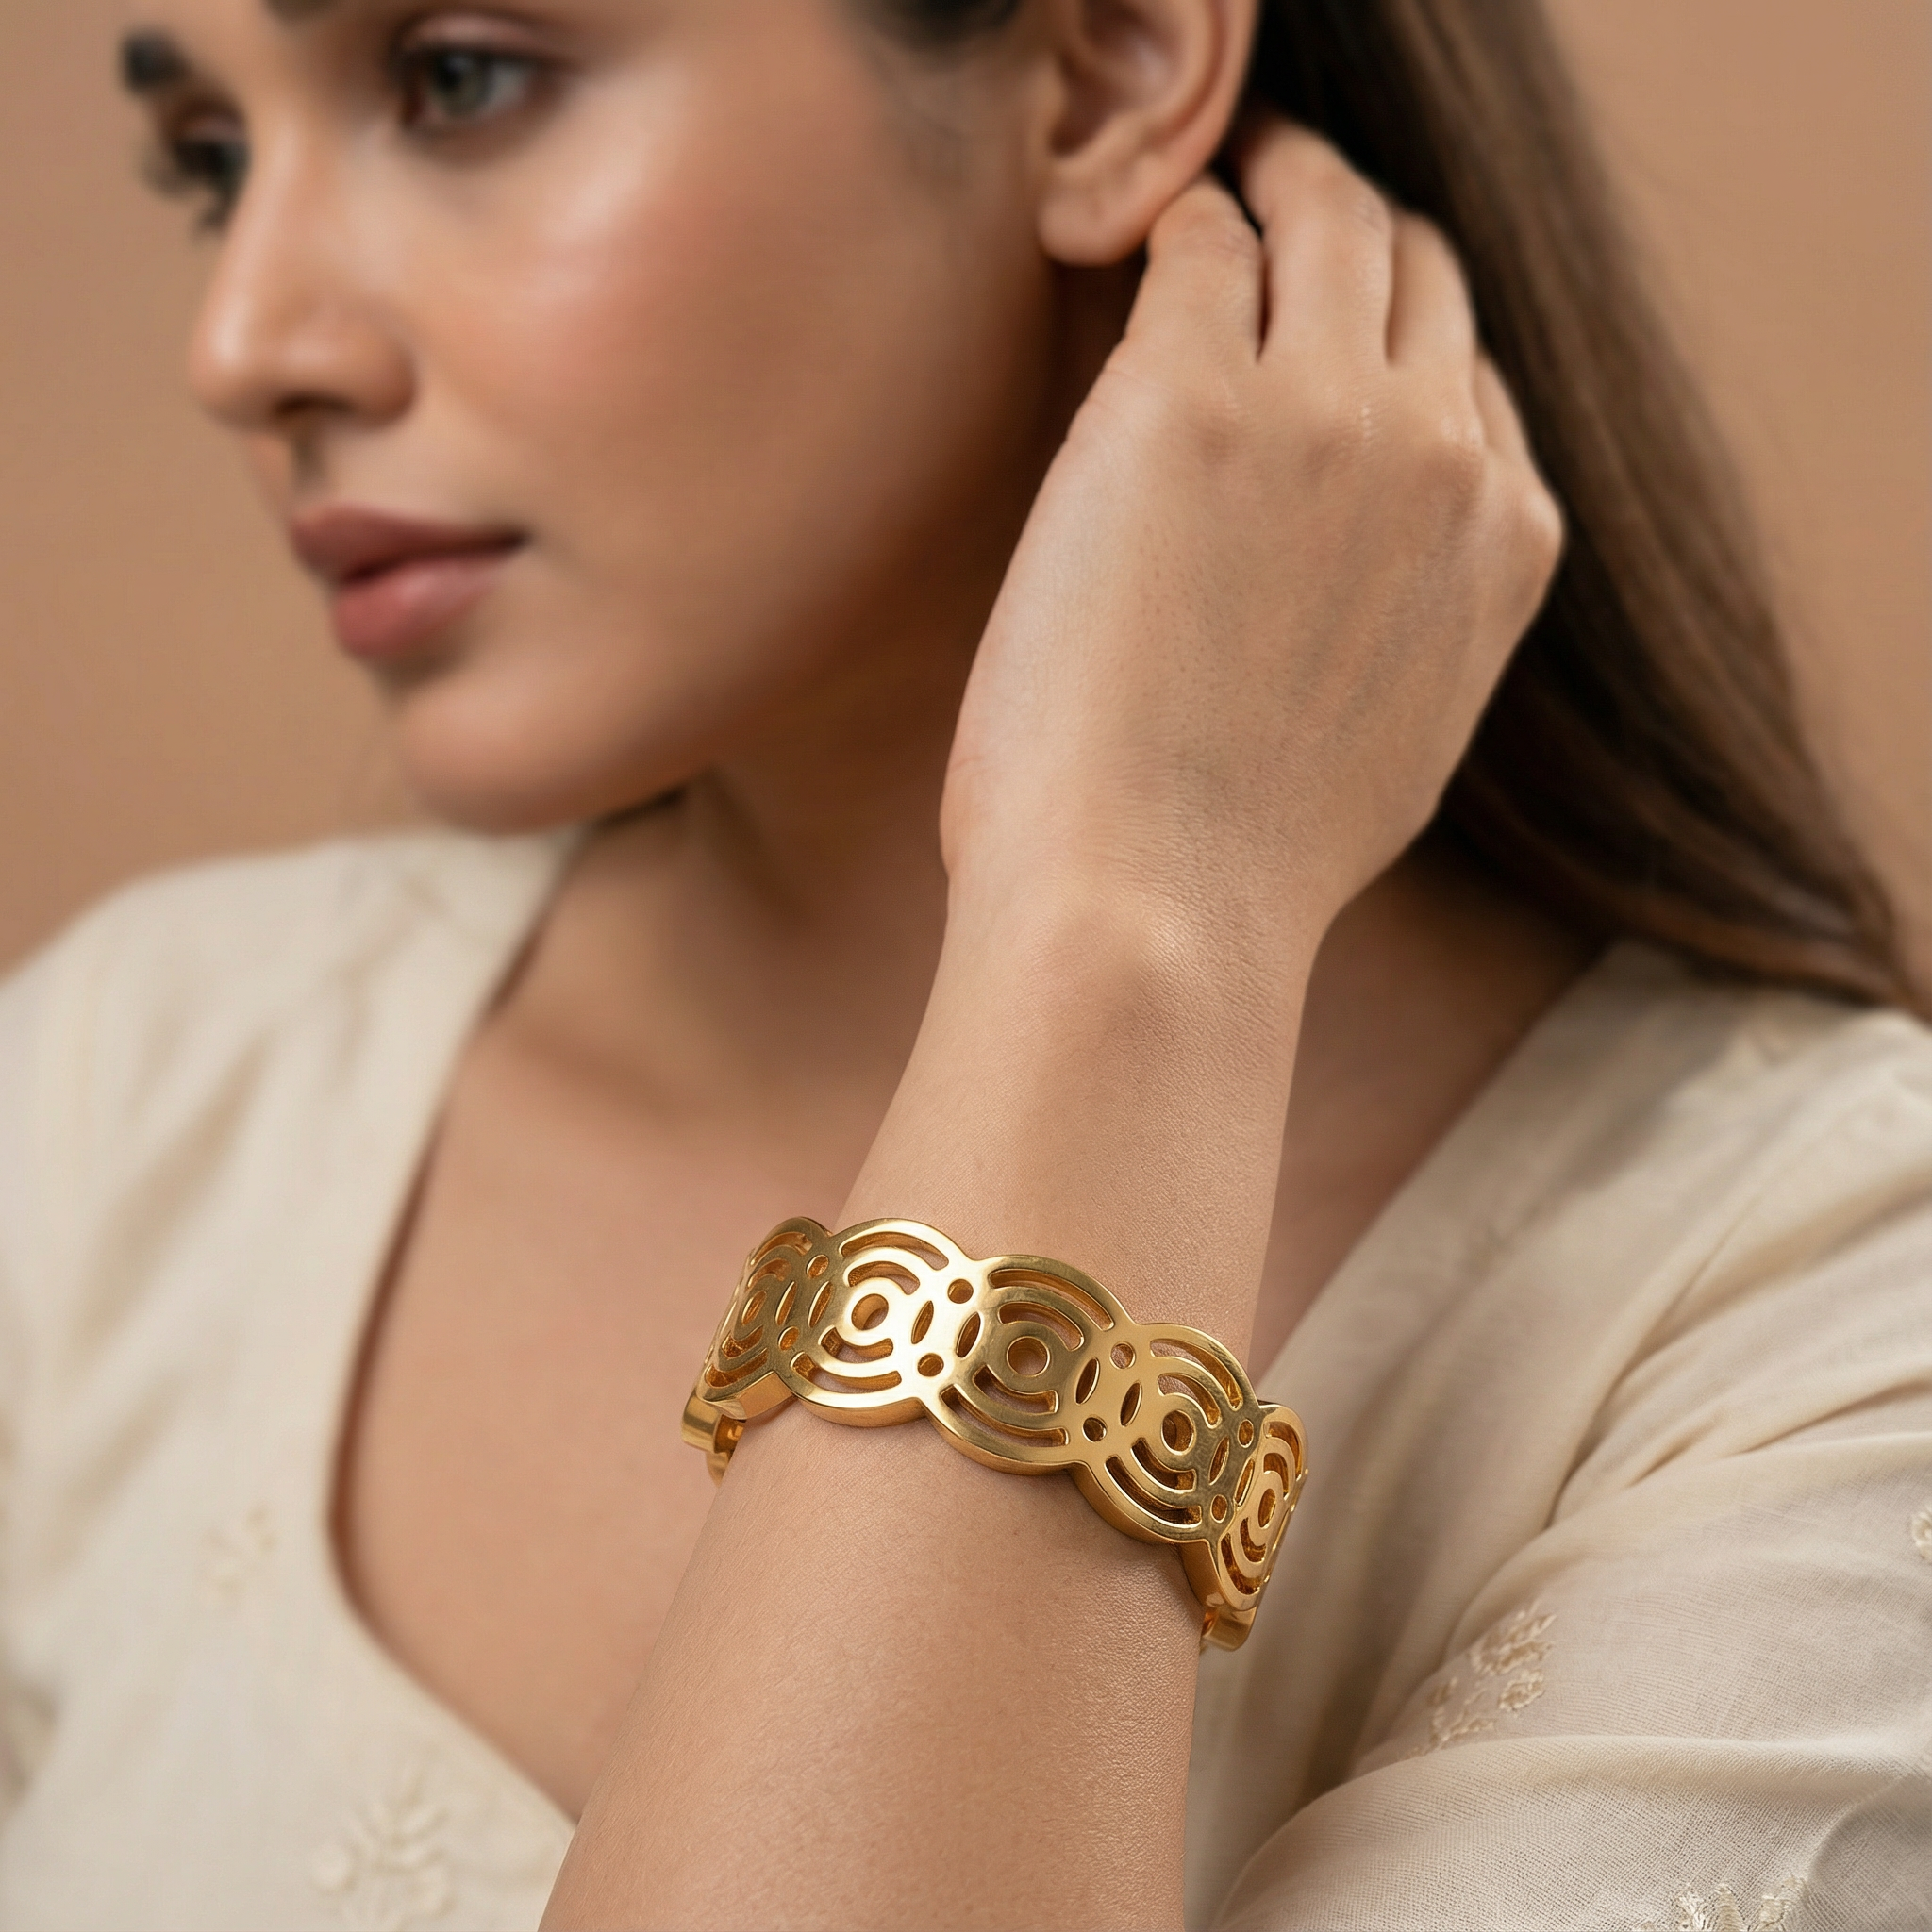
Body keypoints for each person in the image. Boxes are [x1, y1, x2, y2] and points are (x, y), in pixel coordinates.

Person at [0, 0, 1925, 1925]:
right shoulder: (119, 1105)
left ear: (1103, 68)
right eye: (211, 164)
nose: (244, 345)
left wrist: (1133, 918)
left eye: (459, 79)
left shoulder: (1830, 1325)